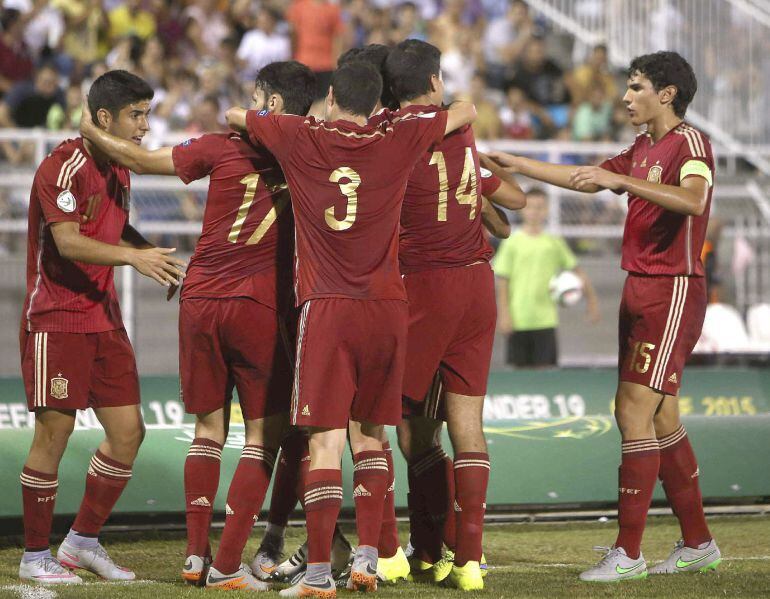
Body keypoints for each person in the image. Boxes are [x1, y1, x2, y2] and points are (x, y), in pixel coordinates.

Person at [226, 59, 476, 597]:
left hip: (329, 306)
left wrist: (257, 113)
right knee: (372, 439)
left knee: (324, 444)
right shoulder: (399, 138)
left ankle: (318, 575)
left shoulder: (300, 136)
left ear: (332, 95)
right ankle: (367, 561)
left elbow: (237, 116)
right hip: (387, 307)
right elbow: (462, 111)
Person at [79, 61, 317, 591]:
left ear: (272, 104)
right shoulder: (312, 154)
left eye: (258, 97)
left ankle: (195, 557)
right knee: (263, 435)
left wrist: (90, 130)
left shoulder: (221, 144)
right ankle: (229, 566)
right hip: (258, 304)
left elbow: (138, 159)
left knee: (207, 429)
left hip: (201, 295)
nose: (251, 105)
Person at [489, 50, 721, 581]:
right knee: (660, 417)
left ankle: (629, 552)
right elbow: (586, 178)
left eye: (636, 87)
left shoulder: (690, 142)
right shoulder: (643, 146)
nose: (626, 96)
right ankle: (698, 543)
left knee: (632, 409)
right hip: (640, 287)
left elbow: (692, 199)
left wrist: (625, 183)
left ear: (667, 93)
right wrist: (517, 165)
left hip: (672, 289)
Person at [18, 69, 185, 585]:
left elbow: (111, 225)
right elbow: (68, 241)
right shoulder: (62, 166)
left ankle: (80, 543)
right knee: (55, 432)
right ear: (106, 118)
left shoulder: (119, 167)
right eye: (136, 116)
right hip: (57, 318)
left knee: (129, 433)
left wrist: (146, 251)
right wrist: (132, 260)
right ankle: (32, 555)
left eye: (147, 115)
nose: (144, 126)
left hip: (103, 318)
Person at [376, 39, 526, 592]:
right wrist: (478, 193)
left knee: (382, 420)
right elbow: (517, 205)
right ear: (435, 82)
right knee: (464, 425)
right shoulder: (459, 127)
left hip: (423, 287)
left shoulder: (391, 135)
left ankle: (391, 551)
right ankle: (465, 560)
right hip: (476, 285)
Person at [493, 187, 600, 367]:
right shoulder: (512, 243)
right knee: (520, 375)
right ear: (522, 209)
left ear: (547, 210)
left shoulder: (553, 242)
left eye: (540, 207)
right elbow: (503, 280)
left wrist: (592, 301)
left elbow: (577, 271)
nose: (535, 212)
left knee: (546, 372)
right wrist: (504, 314)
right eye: (530, 207)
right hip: (518, 319)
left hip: (546, 319)